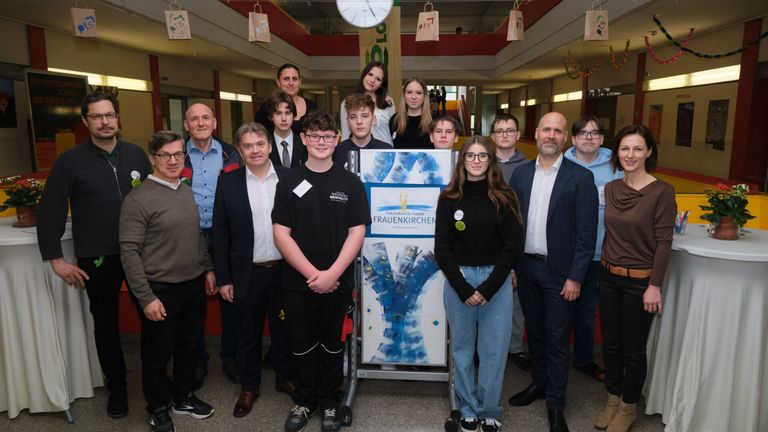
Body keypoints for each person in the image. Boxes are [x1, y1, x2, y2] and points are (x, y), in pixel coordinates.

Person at [36, 91, 152, 419]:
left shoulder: (136, 155)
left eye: (109, 115)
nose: (105, 122)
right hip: (97, 256)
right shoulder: (70, 162)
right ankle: (117, 386)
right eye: (97, 117)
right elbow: (51, 210)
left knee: (151, 316)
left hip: (140, 251)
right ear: (86, 122)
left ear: (117, 118)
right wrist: (56, 258)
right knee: (105, 323)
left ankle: (154, 380)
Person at [272, 109, 370, 432]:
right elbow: (281, 233)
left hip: (338, 283)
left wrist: (331, 275)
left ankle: (329, 402)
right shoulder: (288, 183)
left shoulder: (351, 184)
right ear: (304, 139)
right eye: (314, 136)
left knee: (332, 345)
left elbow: (357, 232)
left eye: (328, 136)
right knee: (300, 344)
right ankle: (304, 400)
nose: (321, 142)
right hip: (297, 284)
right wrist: (314, 274)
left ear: (337, 140)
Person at [119, 130, 216, 432]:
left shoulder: (184, 190)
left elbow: (196, 236)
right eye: (166, 155)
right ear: (153, 159)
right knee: (157, 354)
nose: (173, 160)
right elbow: (129, 251)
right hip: (159, 289)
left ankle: (183, 396)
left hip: (192, 284)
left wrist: (208, 268)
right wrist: (146, 297)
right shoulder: (139, 199)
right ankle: (158, 406)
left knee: (188, 347)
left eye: (178, 154)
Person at [507, 112, 598, 432]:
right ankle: (540, 383)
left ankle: (556, 404)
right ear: (536, 133)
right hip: (527, 268)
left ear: (565, 138)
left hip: (561, 274)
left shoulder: (580, 178)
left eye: (558, 131)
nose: (551, 135)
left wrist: (576, 277)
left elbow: (587, 235)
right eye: (546, 129)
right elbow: (512, 226)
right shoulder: (520, 175)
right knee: (537, 333)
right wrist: (514, 267)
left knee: (559, 339)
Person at [435, 136, 523, 432]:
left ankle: (489, 410)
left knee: (493, 351)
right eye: (470, 156)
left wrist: (486, 288)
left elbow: (511, 248)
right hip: (458, 279)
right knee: (460, 349)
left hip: (495, 282)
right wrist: (463, 288)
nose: (475, 161)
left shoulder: (505, 197)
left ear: (490, 161)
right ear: (462, 161)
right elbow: (442, 247)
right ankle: (468, 408)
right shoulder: (448, 198)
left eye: (481, 156)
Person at [593, 125, 675, 432]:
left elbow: (664, 241)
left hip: (640, 282)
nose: (630, 155)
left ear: (649, 152)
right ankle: (612, 399)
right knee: (610, 345)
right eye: (625, 149)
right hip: (608, 275)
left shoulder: (662, 192)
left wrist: (655, 285)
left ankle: (628, 408)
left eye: (637, 149)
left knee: (633, 348)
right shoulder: (612, 189)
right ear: (617, 153)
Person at [212, 122, 295, 418]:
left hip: (286, 271)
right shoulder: (228, 183)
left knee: (284, 328)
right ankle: (249, 387)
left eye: (260, 143)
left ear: (270, 146)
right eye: (248, 146)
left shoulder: (289, 178)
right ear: (239, 150)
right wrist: (223, 278)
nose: (255, 150)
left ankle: (285, 378)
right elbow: (220, 234)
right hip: (247, 273)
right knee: (247, 333)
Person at [182, 103, 242, 386]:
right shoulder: (175, 155)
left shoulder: (232, 153)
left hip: (225, 236)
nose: (201, 122)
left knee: (230, 298)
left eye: (206, 117)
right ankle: (197, 360)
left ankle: (231, 356)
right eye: (194, 119)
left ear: (215, 122)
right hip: (188, 236)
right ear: (186, 125)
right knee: (193, 303)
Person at [563, 115, 624, 382]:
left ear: (602, 138)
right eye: (583, 133)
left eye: (595, 133)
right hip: (568, 252)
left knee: (587, 311)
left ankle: (584, 359)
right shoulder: (562, 165)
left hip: (602, 252)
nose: (589, 137)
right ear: (574, 138)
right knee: (560, 310)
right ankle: (556, 358)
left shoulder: (616, 166)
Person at [490, 113, 531, 371]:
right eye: (500, 130)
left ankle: (514, 347)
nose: (505, 134)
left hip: (518, 240)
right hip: (486, 240)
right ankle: (483, 348)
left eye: (510, 130)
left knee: (516, 298)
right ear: (492, 136)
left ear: (518, 134)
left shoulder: (529, 168)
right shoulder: (480, 161)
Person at [340, 61, 394, 146]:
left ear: (381, 85)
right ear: (364, 75)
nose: (372, 80)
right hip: (358, 151)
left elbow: (392, 132)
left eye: (378, 79)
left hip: (385, 152)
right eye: (370, 74)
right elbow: (346, 135)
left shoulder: (388, 102)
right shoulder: (347, 103)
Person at [255, 63, 318, 136]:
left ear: (300, 82)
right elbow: (258, 136)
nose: (291, 83)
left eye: (295, 79)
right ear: (278, 82)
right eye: (286, 79)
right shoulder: (266, 107)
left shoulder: (312, 106)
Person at [333, 93, 391, 169]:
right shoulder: (336, 151)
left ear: (373, 120)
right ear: (348, 121)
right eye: (353, 117)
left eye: (365, 116)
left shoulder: (387, 151)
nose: (359, 122)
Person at [268, 90, 307, 169]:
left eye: (288, 113)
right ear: (271, 117)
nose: (284, 118)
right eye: (278, 113)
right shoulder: (264, 145)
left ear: (294, 116)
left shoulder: (304, 144)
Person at [390, 77, 432, 150]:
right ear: (404, 95)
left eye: (418, 93)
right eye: (409, 92)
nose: (413, 97)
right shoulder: (395, 119)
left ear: (424, 96)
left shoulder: (433, 121)